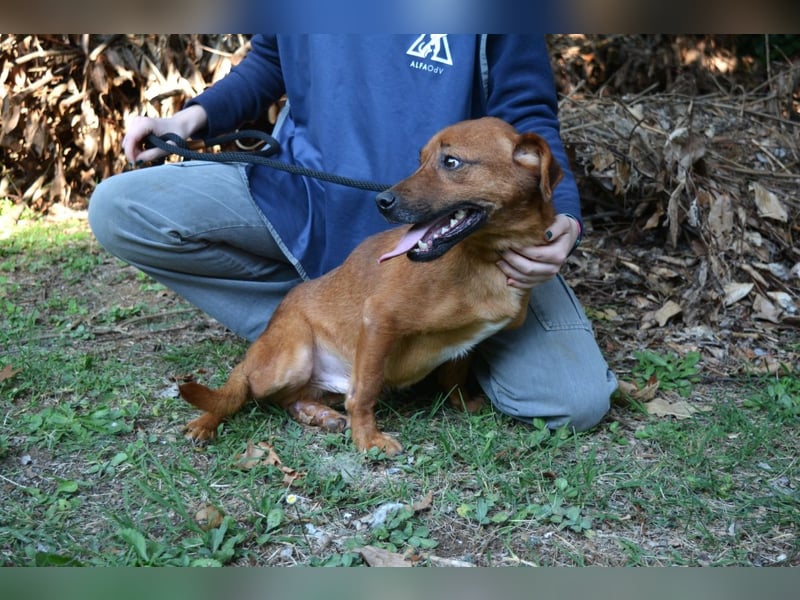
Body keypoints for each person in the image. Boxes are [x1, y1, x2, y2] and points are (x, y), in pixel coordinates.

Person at [89, 34, 616, 432]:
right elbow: (271, 59)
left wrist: (562, 222)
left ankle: (410, 336)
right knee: (120, 207)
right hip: (306, 200)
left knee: (574, 402)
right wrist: (189, 120)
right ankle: (333, 325)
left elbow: (528, 114)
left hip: (461, 235)